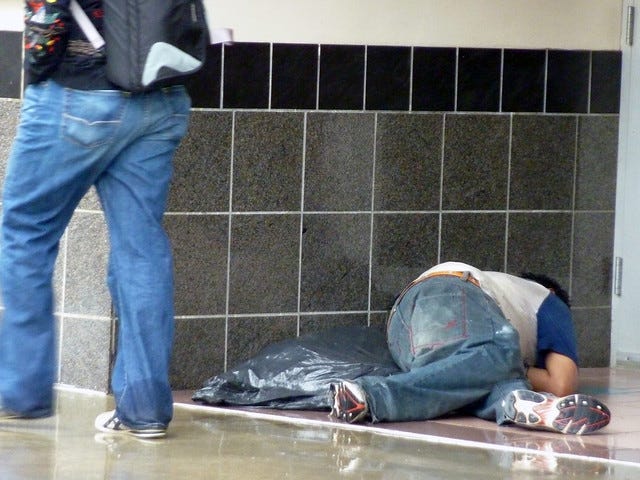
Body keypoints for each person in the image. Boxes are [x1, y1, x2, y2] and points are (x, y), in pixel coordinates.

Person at [0, 0, 191, 438]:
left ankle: (23, 392)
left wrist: (38, 64)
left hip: (78, 93)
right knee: (140, 250)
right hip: (160, 98)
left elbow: (46, 13)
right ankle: (145, 410)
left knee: (26, 231)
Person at [329, 261, 611, 435]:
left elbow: (468, 371)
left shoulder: (507, 303)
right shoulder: (547, 301)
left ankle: (514, 401)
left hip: (401, 327)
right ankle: (371, 395)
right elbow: (562, 383)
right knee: (500, 351)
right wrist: (520, 366)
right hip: (452, 291)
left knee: (466, 381)